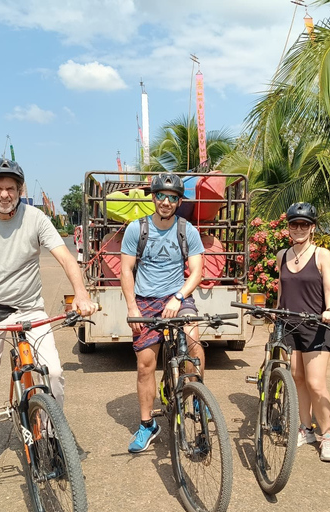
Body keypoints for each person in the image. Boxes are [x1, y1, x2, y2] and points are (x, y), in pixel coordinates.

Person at [0, 158, 97, 492]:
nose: (4, 194)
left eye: (10, 188)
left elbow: (65, 256)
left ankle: (55, 438)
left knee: (54, 373)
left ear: (19, 190)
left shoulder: (35, 218)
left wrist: (81, 293)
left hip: (30, 309)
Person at [120, 173, 205, 453]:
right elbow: (126, 270)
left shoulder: (187, 230)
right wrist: (132, 306)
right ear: (153, 198)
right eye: (161, 196)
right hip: (145, 300)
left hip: (178, 298)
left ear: (179, 201)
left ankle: (197, 395)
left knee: (193, 342)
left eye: (172, 197)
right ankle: (147, 425)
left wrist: (178, 297)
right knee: (145, 364)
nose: (166, 202)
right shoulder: (137, 229)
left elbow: (197, 272)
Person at [276, 202, 330, 462]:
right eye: (294, 224)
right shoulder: (282, 255)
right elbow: (282, 290)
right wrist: (276, 314)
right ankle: (306, 428)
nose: (299, 229)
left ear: (312, 228)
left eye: (304, 224)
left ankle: (328, 436)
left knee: (316, 383)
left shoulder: (322, 255)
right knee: (297, 378)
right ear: (288, 227)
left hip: (315, 325)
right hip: (289, 324)